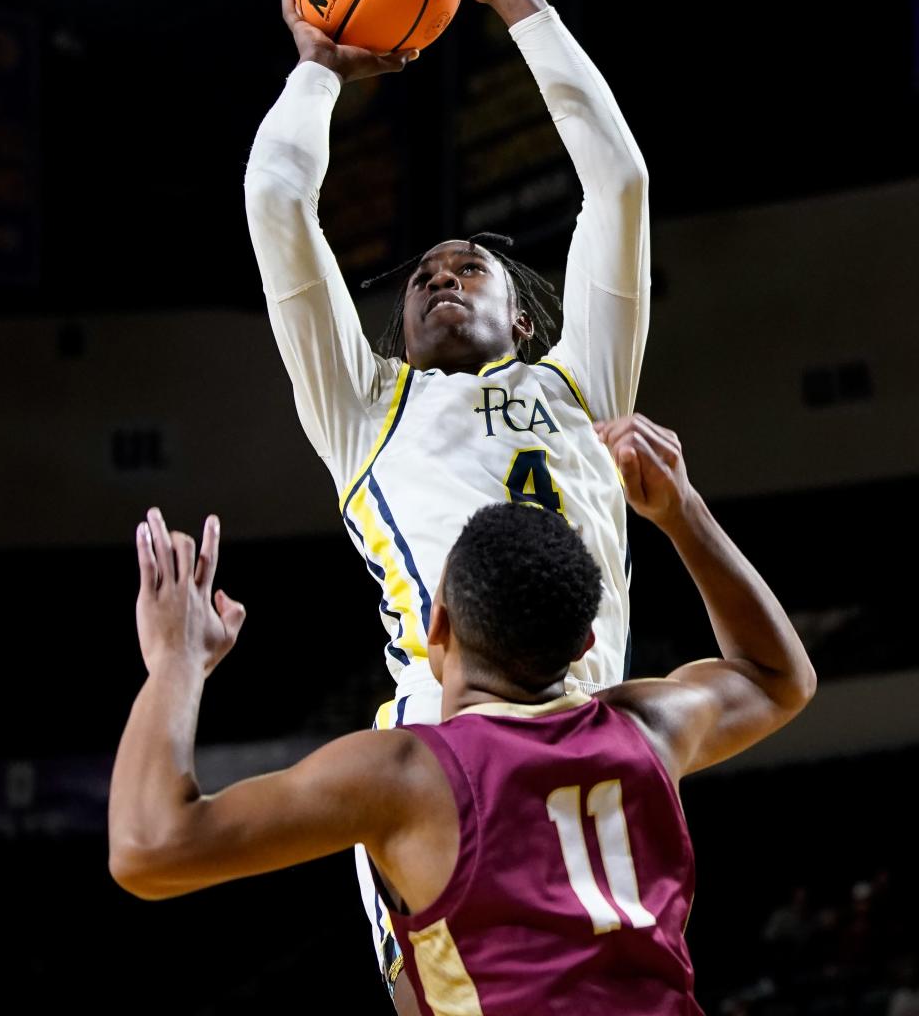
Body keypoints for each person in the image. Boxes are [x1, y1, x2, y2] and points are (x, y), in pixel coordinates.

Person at [244, 0, 649, 991]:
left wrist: (520, 5)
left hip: (594, 735)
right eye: (422, 273)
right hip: (446, 755)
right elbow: (279, 199)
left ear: (523, 317)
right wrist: (318, 70)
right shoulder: (362, 408)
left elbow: (616, 183)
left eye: (466, 267)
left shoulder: (584, 383)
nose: (437, 276)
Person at [109, 414, 817, 1016]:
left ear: (435, 624)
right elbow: (778, 676)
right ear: (586, 644)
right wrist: (681, 510)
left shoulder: (408, 777)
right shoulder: (650, 727)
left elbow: (150, 849)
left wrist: (176, 661)